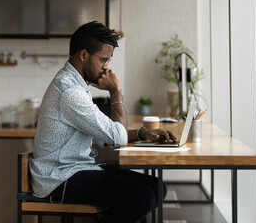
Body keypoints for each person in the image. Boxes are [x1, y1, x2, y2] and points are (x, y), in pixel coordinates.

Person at [29, 21, 176, 223]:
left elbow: (108, 134)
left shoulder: (75, 86)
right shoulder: (70, 92)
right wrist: (115, 91)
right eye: (103, 60)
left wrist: (143, 133)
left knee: (156, 189)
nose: (106, 68)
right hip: (58, 178)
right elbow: (117, 138)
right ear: (83, 55)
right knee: (142, 197)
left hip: (78, 168)